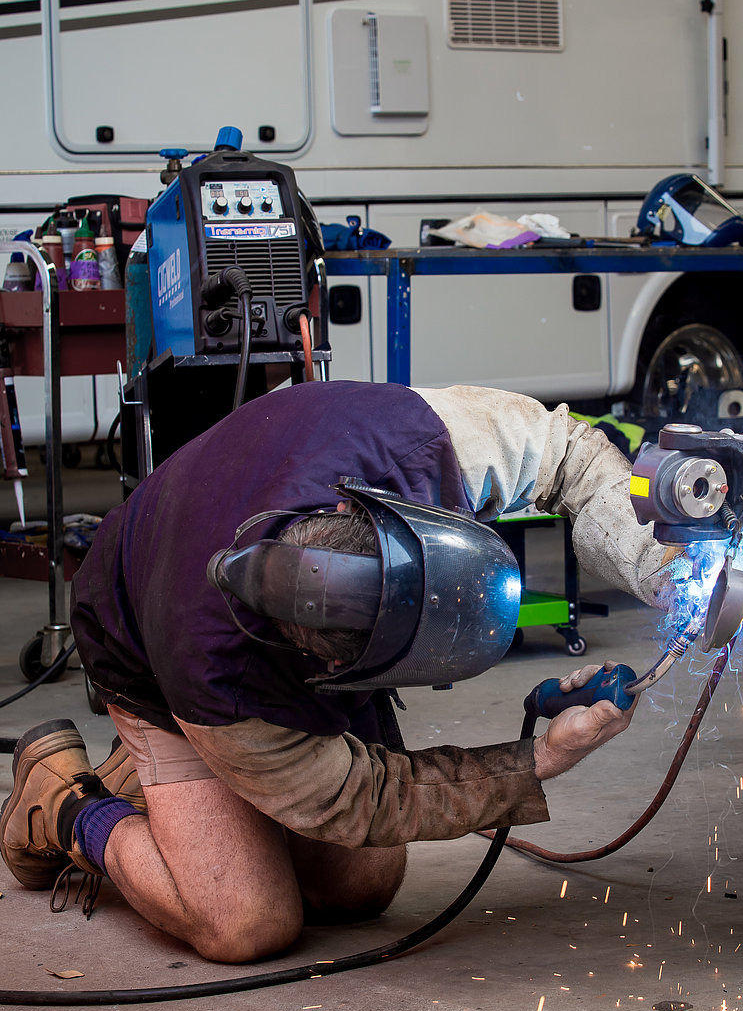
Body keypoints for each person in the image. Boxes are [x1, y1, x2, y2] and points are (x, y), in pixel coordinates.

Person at [0, 381, 678, 963]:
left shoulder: (406, 442)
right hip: (143, 647)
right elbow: (371, 797)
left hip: (233, 601)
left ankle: (178, 793)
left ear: (367, 515)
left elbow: (567, 451)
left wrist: (665, 573)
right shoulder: (224, 685)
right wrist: (541, 759)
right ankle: (65, 804)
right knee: (245, 922)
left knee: (359, 890)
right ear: (332, 664)